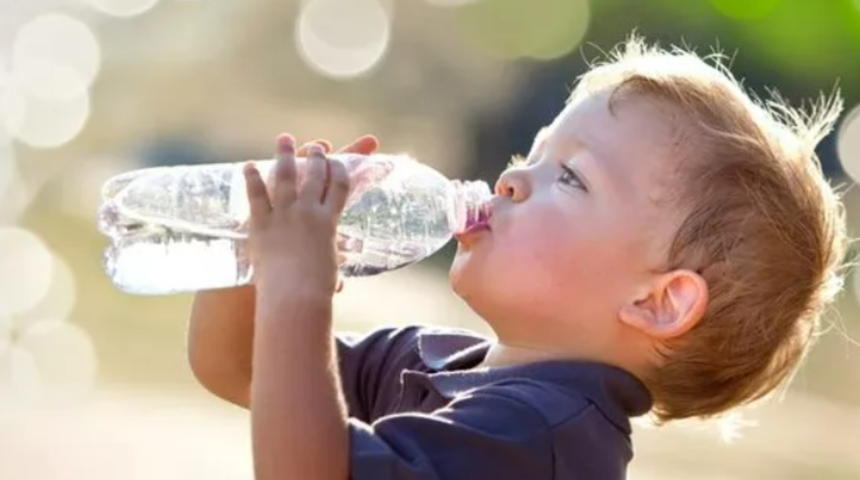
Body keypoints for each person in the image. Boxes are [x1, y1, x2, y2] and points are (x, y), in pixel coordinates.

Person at [186, 36, 849, 480]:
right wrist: (251, 250)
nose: (509, 181)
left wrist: (298, 291)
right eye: (530, 155)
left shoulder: (540, 437)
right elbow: (239, 366)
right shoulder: (434, 359)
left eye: (571, 178)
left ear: (657, 300)